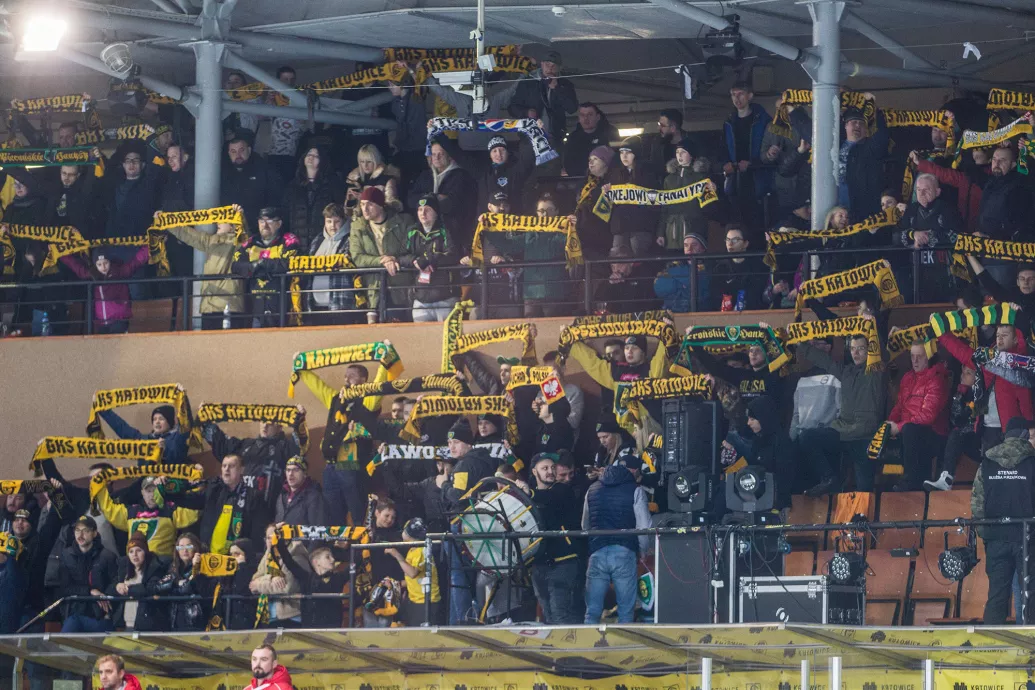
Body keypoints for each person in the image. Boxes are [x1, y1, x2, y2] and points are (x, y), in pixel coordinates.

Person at [936, 322, 1034, 487]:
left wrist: (1031, 426)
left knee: (1007, 479)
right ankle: (946, 480)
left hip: (1011, 432)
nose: (1000, 339)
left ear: (1016, 339)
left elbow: (1025, 400)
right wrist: (941, 333)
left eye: (1005, 336)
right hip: (986, 429)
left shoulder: (1020, 363)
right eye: (998, 335)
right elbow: (962, 352)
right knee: (988, 476)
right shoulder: (987, 358)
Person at [799, 327, 888, 494]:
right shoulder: (846, 371)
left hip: (864, 436)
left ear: (869, 350)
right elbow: (824, 361)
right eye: (853, 348)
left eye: (861, 348)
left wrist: (872, 326)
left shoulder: (876, 371)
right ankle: (829, 478)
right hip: (842, 431)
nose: (856, 353)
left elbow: (881, 353)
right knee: (806, 437)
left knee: (864, 492)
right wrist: (800, 343)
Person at [973, 417, 1035, 625]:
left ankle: (991, 641)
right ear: (1024, 435)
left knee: (996, 596)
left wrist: (987, 535)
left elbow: (977, 505)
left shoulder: (987, 462)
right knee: (1031, 595)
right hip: (1028, 539)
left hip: (996, 538)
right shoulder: (1033, 461)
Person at [582, 455, 651, 624]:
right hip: (624, 552)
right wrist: (643, 551)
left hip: (597, 551)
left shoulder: (592, 489)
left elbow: (585, 525)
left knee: (592, 612)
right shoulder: (635, 490)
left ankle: (589, 639)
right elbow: (644, 526)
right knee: (626, 612)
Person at [442, 418, 497, 624]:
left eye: (456, 442)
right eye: (449, 443)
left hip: (463, 523)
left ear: (467, 443)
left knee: (458, 576)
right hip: (483, 524)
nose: (451, 447)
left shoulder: (464, 465)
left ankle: (461, 623)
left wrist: (444, 485)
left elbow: (458, 496)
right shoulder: (486, 461)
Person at [157, 204, 247, 330]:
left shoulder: (237, 243)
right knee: (206, 341)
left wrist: (240, 217)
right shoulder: (211, 241)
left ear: (232, 226)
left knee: (227, 342)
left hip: (228, 304)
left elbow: (244, 236)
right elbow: (188, 234)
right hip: (208, 305)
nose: (218, 222)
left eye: (223, 219)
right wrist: (166, 220)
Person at [202, 403, 304, 513]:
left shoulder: (285, 447)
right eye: (263, 421)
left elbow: (300, 444)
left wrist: (300, 421)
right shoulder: (246, 444)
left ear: (280, 426)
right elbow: (223, 445)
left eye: (270, 422)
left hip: (268, 512)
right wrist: (206, 419)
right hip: (240, 509)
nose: (265, 425)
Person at [885, 343, 951, 491]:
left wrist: (899, 427)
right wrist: (889, 424)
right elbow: (899, 406)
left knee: (910, 430)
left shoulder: (937, 379)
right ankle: (885, 486)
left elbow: (927, 416)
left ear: (929, 357)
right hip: (909, 431)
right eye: (912, 356)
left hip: (934, 434)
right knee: (886, 432)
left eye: (919, 356)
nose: (915, 361)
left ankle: (911, 482)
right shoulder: (907, 378)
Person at [175, 454, 270, 554]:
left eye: (231, 466)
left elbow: (257, 534)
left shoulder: (253, 497)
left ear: (242, 470)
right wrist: (168, 489)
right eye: (224, 466)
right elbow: (187, 500)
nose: (226, 469)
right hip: (208, 556)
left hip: (236, 557)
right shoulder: (213, 491)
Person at [349, 186, 415, 323]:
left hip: (399, 286)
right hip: (372, 289)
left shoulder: (403, 222)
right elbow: (357, 257)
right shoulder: (357, 226)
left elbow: (412, 250)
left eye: (370, 204)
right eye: (362, 204)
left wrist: (395, 259)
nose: (365, 209)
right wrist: (383, 260)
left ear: (380, 205)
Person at [528, 453, 580, 624]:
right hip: (539, 563)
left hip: (563, 561)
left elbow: (549, 498)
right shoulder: (530, 495)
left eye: (552, 467)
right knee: (548, 615)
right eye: (545, 468)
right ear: (534, 472)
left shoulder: (562, 489)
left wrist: (528, 493)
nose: (550, 471)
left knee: (560, 614)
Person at [94, 474, 199, 559]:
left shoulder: (171, 510)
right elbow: (108, 508)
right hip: (135, 565)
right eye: (148, 491)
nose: (152, 495)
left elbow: (195, 510)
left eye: (155, 490)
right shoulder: (131, 512)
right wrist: (100, 486)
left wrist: (193, 483)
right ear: (142, 493)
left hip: (162, 565)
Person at [894, 173, 961, 302]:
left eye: (927, 189)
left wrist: (928, 237)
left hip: (944, 273)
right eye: (919, 190)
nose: (922, 193)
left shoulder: (948, 209)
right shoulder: (911, 210)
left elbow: (957, 236)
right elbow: (896, 236)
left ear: (937, 191)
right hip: (916, 273)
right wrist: (913, 235)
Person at [231, 206, 301, 328]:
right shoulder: (251, 242)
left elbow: (288, 263)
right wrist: (254, 266)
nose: (265, 225)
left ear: (279, 224)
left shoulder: (289, 240)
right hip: (255, 307)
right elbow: (235, 266)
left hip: (283, 307)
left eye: (270, 221)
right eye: (262, 221)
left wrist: (262, 264)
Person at [406, 138, 479, 251]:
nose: (437, 157)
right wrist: (434, 198)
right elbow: (411, 199)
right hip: (426, 232)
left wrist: (429, 200)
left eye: (441, 154)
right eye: (434, 154)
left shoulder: (461, 176)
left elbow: (455, 203)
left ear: (449, 156)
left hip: (453, 232)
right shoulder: (425, 175)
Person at [58, 245, 151, 335]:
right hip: (101, 322)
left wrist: (150, 246)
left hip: (119, 319)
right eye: (99, 264)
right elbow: (75, 265)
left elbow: (136, 262)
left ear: (110, 261)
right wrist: (58, 252)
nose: (103, 267)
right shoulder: (92, 275)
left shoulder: (120, 271)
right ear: (95, 265)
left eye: (105, 263)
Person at [788, 338, 843, 491]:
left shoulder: (836, 377)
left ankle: (829, 478)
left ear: (828, 347)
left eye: (817, 344)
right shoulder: (802, 379)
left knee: (808, 439)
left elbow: (842, 411)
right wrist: (790, 440)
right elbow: (796, 415)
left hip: (827, 435)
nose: (812, 348)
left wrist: (827, 428)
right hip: (803, 436)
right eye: (810, 345)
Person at [725, 395, 796, 509]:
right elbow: (750, 464)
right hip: (754, 493)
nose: (748, 423)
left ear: (764, 418)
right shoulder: (758, 440)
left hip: (774, 500)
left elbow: (784, 479)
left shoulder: (781, 442)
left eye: (752, 419)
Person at [719, 82, 772, 227]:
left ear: (750, 96)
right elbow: (723, 148)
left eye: (740, 94)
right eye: (733, 95)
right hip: (735, 179)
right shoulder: (729, 122)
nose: (737, 98)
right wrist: (725, 164)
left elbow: (770, 152)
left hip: (758, 180)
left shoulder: (764, 120)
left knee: (758, 222)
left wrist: (752, 164)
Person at [657, 137, 719, 252]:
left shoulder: (701, 177)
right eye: (677, 152)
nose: (679, 155)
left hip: (694, 227)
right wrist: (661, 232)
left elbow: (710, 207)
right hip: (672, 229)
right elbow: (664, 207)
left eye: (683, 152)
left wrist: (713, 191)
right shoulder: (668, 179)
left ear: (691, 155)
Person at [58, 515, 118, 633]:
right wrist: (90, 591)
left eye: (85, 531)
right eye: (77, 530)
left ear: (94, 533)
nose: (80, 535)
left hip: (100, 616)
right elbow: (64, 587)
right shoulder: (66, 555)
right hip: (75, 614)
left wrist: (105, 599)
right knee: (62, 642)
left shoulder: (108, 556)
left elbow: (115, 584)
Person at [508, 49, 577, 147]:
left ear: (559, 68)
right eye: (547, 64)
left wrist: (557, 88)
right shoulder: (527, 83)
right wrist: (526, 112)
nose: (550, 68)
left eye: (554, 66)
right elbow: (512, 108)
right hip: (529, 137)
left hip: (555, 138)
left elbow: (572, 108)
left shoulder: (565, 85)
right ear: (542, 64)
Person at [407, 194, 458, 322]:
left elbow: (453, 255)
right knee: (420, 335)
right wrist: (414, 261)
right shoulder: (412, 232)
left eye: (427, 209)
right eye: (420, 209)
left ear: (436, 212)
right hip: (420, 299)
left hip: (445, 298)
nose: (423, 213)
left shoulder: (446, 230)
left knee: (446, 334)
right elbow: (402, 255)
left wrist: (430, 260)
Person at [221, 129, 284, 233]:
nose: (238, 155)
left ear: (249, 150)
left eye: (241, 150)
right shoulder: (223, 173)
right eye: (233, 151)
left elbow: (274, 202)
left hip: (257, 230)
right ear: (229, 153)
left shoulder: (264, 171)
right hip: (231, 230)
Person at [305, 202, 356, 325]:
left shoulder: (351, 239)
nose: (332, 226)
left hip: (341, 303)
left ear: (344, 221)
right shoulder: (317, 240)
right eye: (329, 221)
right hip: (316, 304)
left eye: (336, 221)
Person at [284, 146, 344, 251]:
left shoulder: (331, 185)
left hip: (323, 240)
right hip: (298, 242)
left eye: (316, 156)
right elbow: (286, 213)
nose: (311, 157)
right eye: (309, 154)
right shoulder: (293, 186)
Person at [107, 532, 169, 632]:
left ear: (145, 552)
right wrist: (117, 586)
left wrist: (128, 589)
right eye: (131, 551)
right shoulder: (123, 569)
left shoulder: (155, 568)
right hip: (123, 625)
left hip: (147, 626)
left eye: (139, 550)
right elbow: (109, 589)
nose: (134, 555)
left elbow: (150, 588)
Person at [609, 136, 660, 256]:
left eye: (628, 152)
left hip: (640, 226)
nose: (624, 156)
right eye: (621, 152)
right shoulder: (615, 174)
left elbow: (654, 200)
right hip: (620, 226)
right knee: (618, 259)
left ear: (636, 153)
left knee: (639, 259)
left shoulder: (648, 174)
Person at [385, 517, 441, 626]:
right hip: (416, 600)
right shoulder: (413, 549)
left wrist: (396, 555)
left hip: (426, 601)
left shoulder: (421, 549)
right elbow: (415, 578)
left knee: (421, 634)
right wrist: (396, 584)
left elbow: (412, 573)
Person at [838, 104, 890, 222]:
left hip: (861, 211)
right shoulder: (835, 145)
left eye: (861, 123)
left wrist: (876, 111)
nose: (858, 125)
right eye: (854, 122)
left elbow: (882, 136)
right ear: (845, 125)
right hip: (835, 209)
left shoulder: (870, 147)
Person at [280, 542, 350, 628]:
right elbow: (289, 562)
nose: (333, 560)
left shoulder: (338, 578)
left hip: (333, 631)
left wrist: (351, 547)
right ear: (316, 562)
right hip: (310, 632)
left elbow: (356, 562)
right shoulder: (306, 578)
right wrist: (279, 541)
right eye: (327, 557)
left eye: (332, 556)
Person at [250, 524, 307, 628]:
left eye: (275, 536)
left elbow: (286, 588)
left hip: (291, 616)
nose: (270, 540)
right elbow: (253, 581)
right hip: (268, 614)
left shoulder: (297, 556)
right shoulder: (268, 555)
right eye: (268, 537)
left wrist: (259, 585)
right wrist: (271, 578)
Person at [96, 404, 190, 464]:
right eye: (154, 419)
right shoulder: (143, 440)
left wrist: (183, 400)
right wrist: (101, 407)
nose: (157, 422)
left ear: (170, 422)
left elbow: (186, 424)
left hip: (169, 484)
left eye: (161, 419)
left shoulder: (177, 439)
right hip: (144, 485)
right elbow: (121, 427)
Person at [155, 532, 209, 631]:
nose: (185, 550)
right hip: (174, 618)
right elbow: (158, 587)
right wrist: (176, 583)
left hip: (195, 618)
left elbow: (188, 588)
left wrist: (195, 567)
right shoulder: (173, 567)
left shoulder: (203, 566)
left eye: (189, 546)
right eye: (181, 547)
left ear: (196, 548)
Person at [711, 225, 765, 312]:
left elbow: (758, 296)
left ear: (745, 243)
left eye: (735, 240)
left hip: (752, 314)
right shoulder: (720, 268)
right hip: (725, 316)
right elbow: (715, 297)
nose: (730, 243)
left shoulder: (757, 266)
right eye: (728, 240)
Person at [266, 66, 306, 182]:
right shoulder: (273, 97)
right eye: (285, 79)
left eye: (292, 80)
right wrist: (270, 99)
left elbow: (305, 123)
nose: (289, 83)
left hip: (296, 153)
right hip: (275, 153)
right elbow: (261, 116)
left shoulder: (299, 98)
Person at [654, 233, 710, 313]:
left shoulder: (709, 268)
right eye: (686, 245)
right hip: (671, 312)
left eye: (694, 245)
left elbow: (701, 293)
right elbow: (658, 288)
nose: (689, 249)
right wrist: (682, 286)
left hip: (699, 313)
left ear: (703, 248)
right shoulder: (674, 265)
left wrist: (677, 286)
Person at [593, 245, 659, 313]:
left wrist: (626, 284)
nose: (616, 270)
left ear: (631, 263)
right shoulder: (608, 281)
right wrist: (609, 284)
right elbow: (596, 304)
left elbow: (648, 302)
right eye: (613, 266)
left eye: (620, 265)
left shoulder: (643, 275)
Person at [46, 164, 103, 239]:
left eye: (71, 174)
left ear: (78, 175)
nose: (66, 177)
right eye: (64, 173)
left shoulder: (85, 194)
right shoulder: (53, 192)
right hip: (53, 238)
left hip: (77, 239)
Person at [563, 102, 618, 176]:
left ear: (598, 117)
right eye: (582, 115)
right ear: (579, 118)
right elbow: (568, 162)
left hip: (605, 178)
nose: (586, 118)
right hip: (580, 179)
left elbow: (615, 158)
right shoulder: (573, 138)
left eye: (590, 115)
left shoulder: (610, 133)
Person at [346, 144, 402, 214]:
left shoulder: (387, 178)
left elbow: (392, 208)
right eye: (362, 162)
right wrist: (350, 201)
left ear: (376, 160)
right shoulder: (355, 180)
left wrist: (364, 198)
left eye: (369, 161)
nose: (365, 165)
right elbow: (349, 214)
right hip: (361, 219)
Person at [274, 456, 328, 526]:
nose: (290, 474)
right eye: (288, 470)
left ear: (304, 473)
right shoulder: (282, 495)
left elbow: (317, 528)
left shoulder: (314, 497)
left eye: (296, 470)